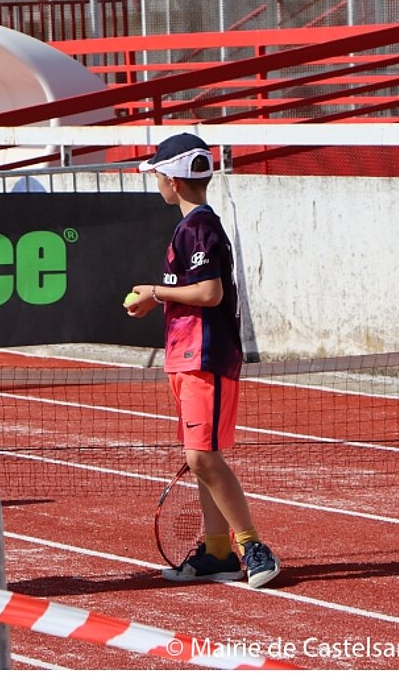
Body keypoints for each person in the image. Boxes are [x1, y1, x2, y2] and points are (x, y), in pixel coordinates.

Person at [125, 132, 281, 589]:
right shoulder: (192, 226)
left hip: (205, 355)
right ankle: (217, 552)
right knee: (201, 459)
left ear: (172, 181)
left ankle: (252, 545)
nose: (156, 182)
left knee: (202, 457)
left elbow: (210, 292)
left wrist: (155, 293)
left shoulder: (199, 227)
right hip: (188, 356)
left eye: (157, 174)